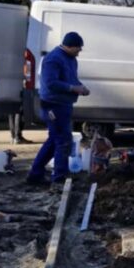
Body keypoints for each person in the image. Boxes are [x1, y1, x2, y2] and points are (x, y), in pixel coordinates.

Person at [27, 31, 89, 186]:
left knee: (54, 140)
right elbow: (51, 83)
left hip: (64, 105)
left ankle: (35, 174)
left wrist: (80, 86)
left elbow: (71, 79)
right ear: (69, 46)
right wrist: (73, 88)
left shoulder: (71, 59)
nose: (80, 51)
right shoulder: (53, 59)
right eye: (78, 48)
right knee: (63, 141)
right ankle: (59, 179)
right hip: (52, 106)